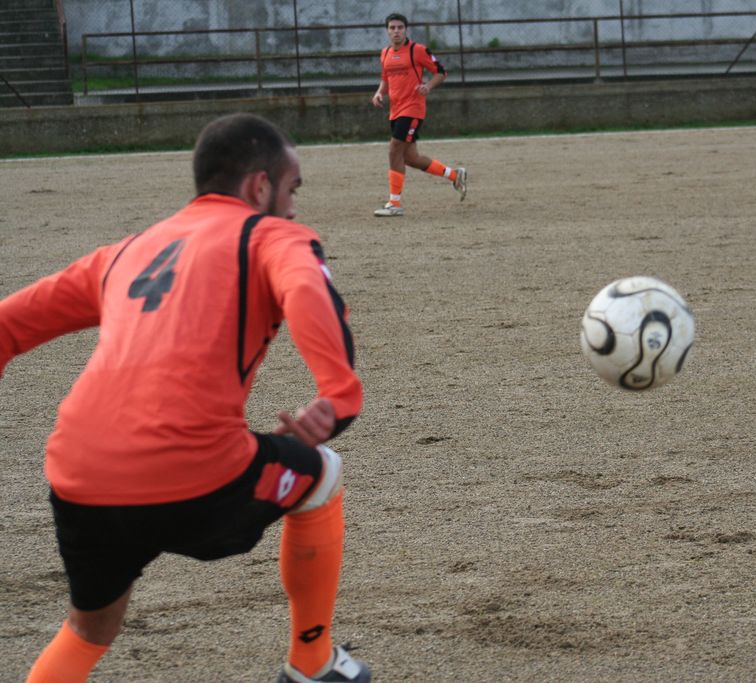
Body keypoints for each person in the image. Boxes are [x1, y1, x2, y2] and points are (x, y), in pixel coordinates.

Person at [1, 113, 371, 683]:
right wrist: (338, 395)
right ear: (260, 187)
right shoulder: (270, 235)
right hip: (192, 471)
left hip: (79, 475)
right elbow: (306, 288)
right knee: (321, 475)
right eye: (292, 189)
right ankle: (312, 663)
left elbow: (8, 325)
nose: (295, 208)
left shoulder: (127, 251)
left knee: (88, 630)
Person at [370, 12, 467, 217]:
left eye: (400, 27)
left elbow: (441, 72)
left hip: (413, 109)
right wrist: (379, 93)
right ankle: (454, 175)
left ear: (406, 30)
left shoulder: (418, 50)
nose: (396, 31)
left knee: (394, 150)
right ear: (387, 31)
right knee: (411, 158)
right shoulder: (385, 53)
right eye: (392, 28)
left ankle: (394, 203)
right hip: (395, 111)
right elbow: (386, 79)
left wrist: (428, 86)